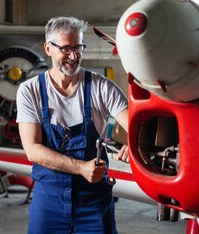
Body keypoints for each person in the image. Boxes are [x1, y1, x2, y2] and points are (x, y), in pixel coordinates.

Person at [16, 16, 129, 234]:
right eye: (66, 49)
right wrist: (81, 168)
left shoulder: (101, 88)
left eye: (79, 48)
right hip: (49, 200)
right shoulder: (30, 91)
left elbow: (138, 128)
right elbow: (32, 150)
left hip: (94, 201)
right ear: (48, 48)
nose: (74, 56)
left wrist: (134, 145)